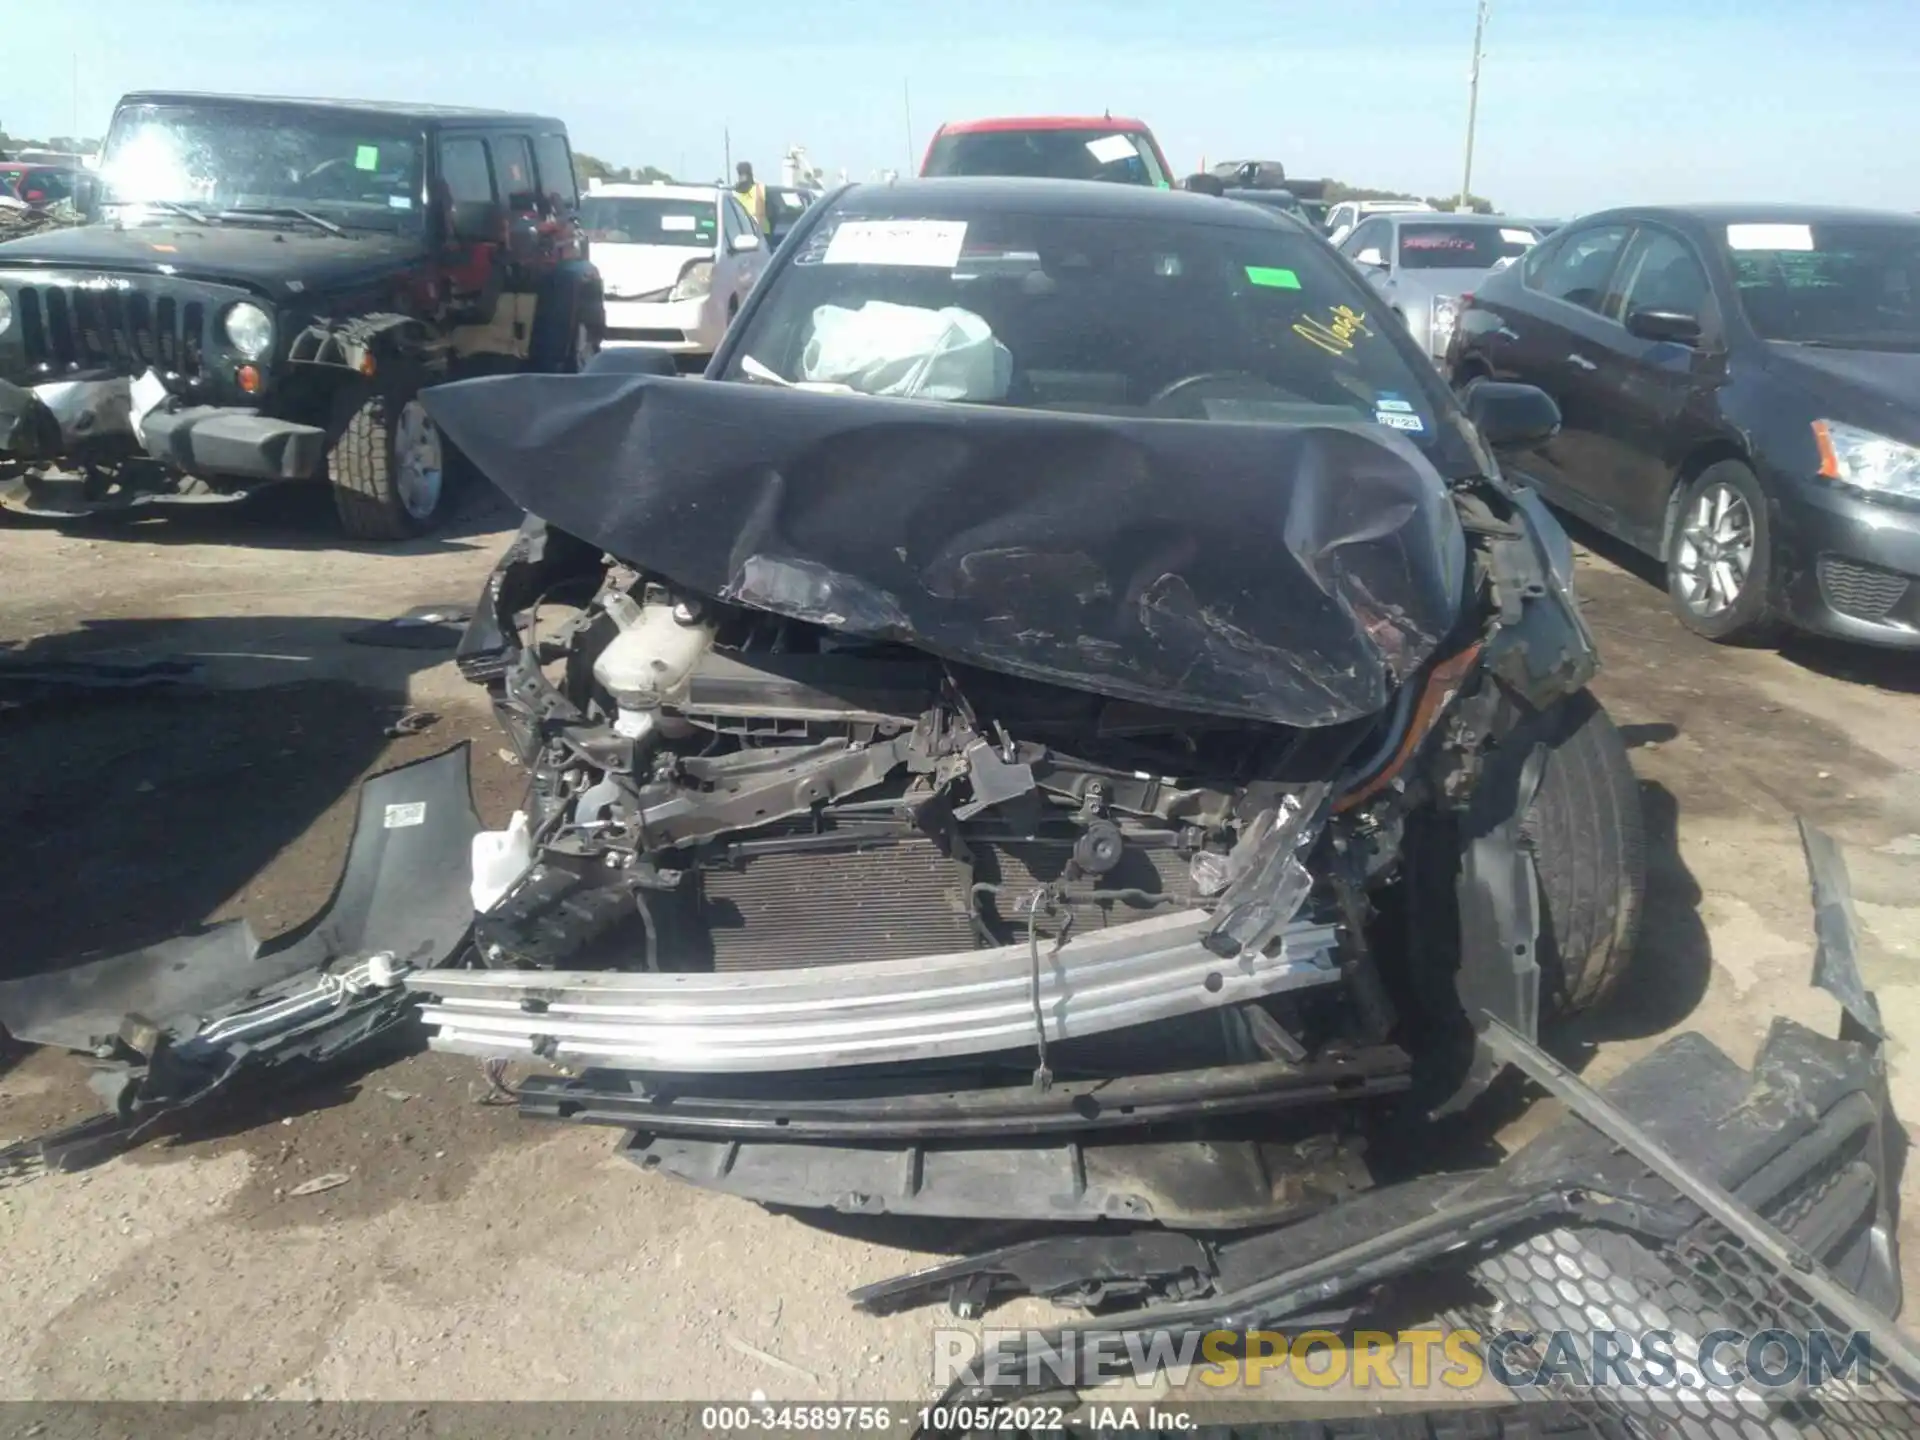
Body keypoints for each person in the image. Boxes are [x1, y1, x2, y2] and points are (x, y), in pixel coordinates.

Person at [733, 161, 767, 231]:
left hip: (759, 232)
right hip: (745, 231)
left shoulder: (759, 189)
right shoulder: (734, 193)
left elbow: (760, 213)